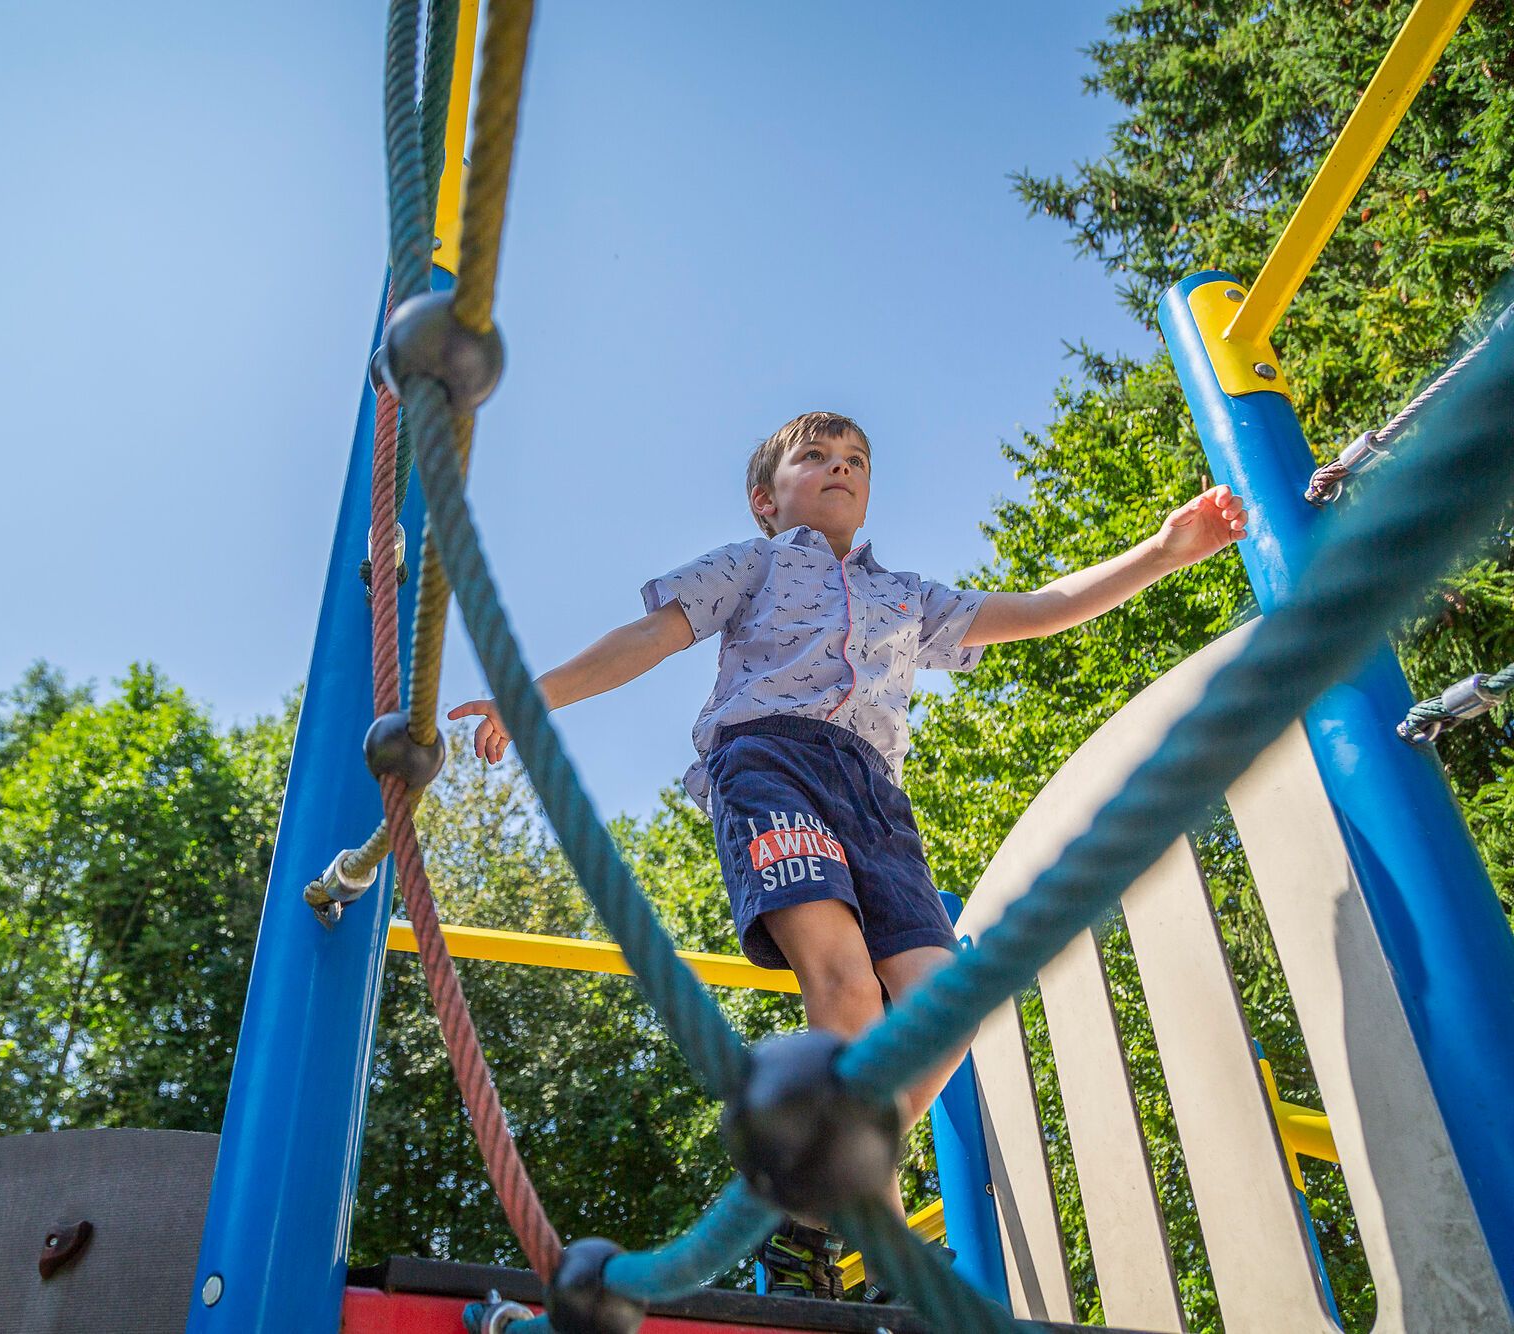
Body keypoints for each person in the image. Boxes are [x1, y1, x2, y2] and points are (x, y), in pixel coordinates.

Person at [447, 410, 1247, 1299]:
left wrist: (1164, 552)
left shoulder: (909, 597)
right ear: (766, 496)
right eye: (815, 458)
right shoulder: (750, 562)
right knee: (847, 987)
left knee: (941, 1009)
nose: (840, 468)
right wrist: (531, 699)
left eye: (855, 459)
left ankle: (814, 1206)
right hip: (771, 760)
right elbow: (649, 639)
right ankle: (870, 1235)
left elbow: (1043, 610)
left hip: (876, 797)